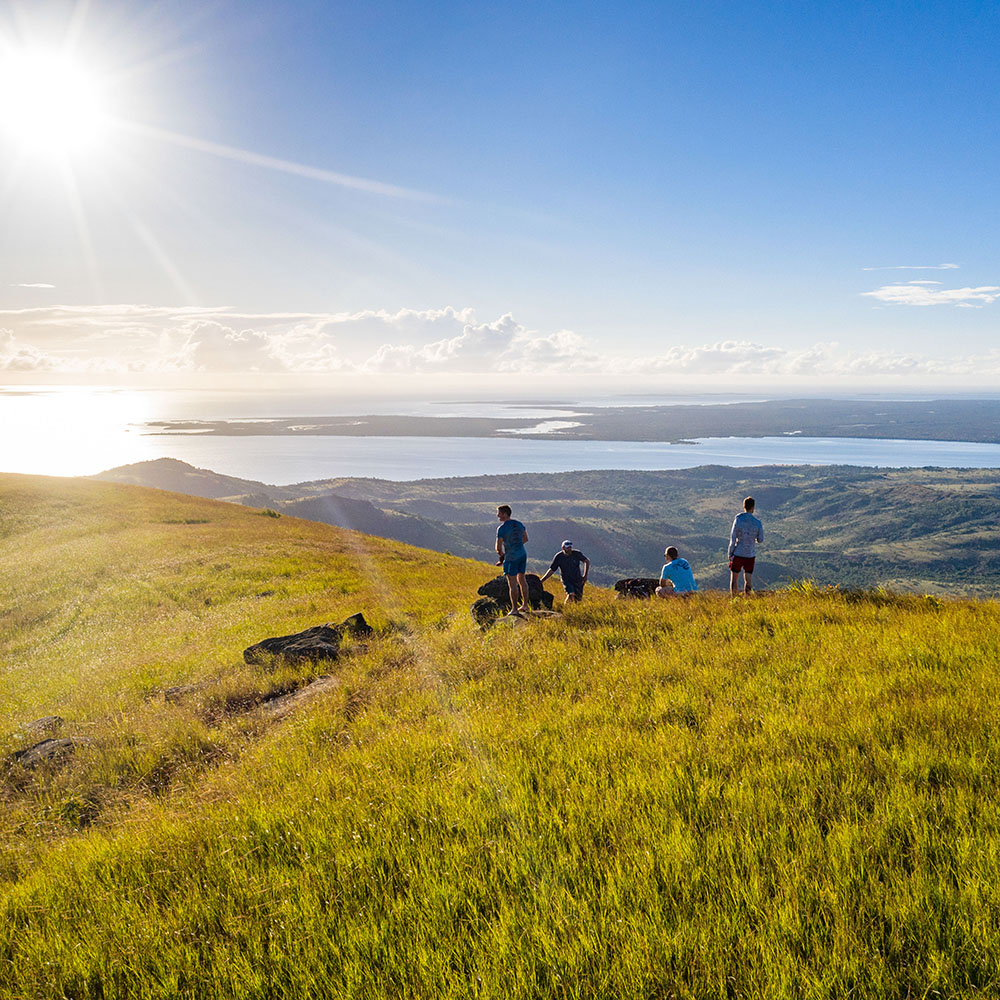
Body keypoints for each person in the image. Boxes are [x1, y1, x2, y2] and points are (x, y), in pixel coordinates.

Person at [495, 504, 530, 614]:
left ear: (505, 514)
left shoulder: (502, 528)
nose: (498, 516)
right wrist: (517, 545)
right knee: (522, 580)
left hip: (511, 557)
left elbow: (498, 547)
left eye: (499, 513)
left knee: (512, 583)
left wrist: (502, 554)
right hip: (522, 553)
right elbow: (525, 538)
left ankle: (514, 609)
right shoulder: (519, 524)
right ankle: (525, 605)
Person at [729, 496, 764, 595]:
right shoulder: (757, 522)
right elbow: (760, 540)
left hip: (738, 552)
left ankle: (734, 599)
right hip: (750, 554)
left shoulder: (738, 519)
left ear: (744, 506)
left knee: (734, 578)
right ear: (753, 508)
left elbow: (732, 538)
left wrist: (730, 553)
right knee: (748, 579)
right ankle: (747, 598)